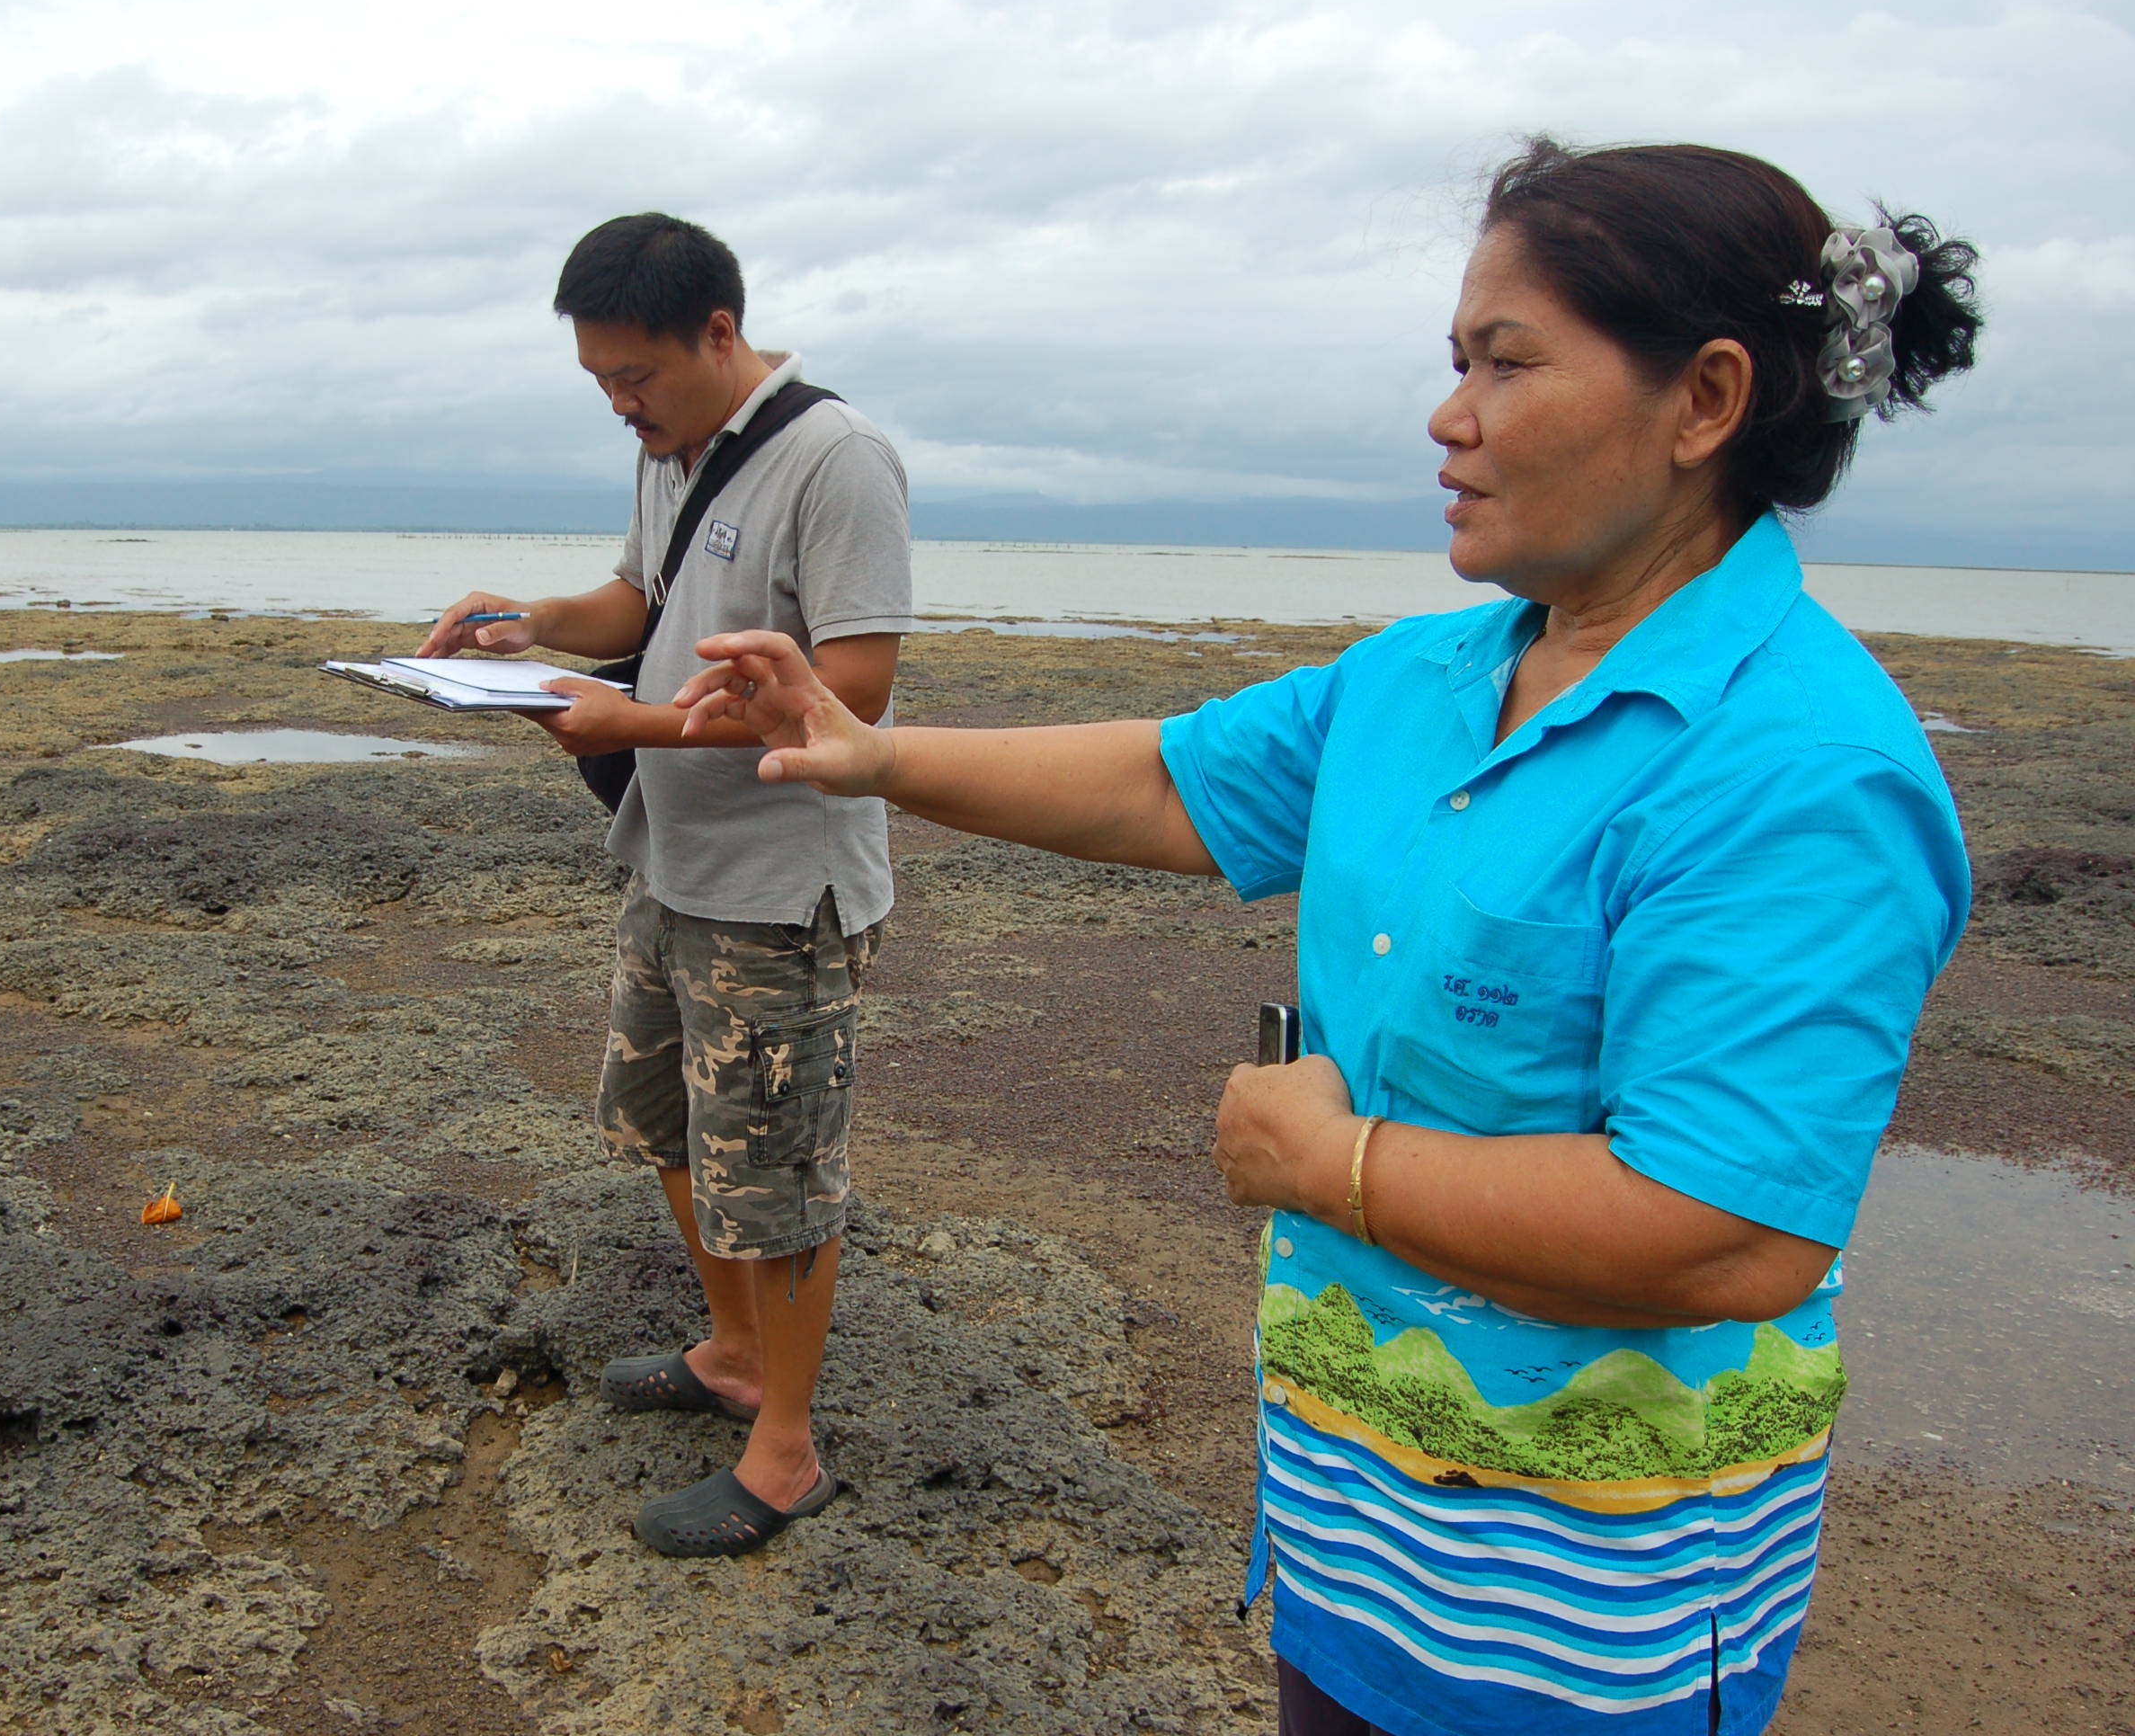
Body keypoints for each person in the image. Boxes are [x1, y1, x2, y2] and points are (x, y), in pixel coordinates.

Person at [673, 139, 1981, 1734]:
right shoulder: (1427, 676)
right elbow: (1169, 781)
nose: (1450, 417)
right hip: (1354, 1528)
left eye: (1506, 364)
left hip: (1593, 1620)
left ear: (1704, 401)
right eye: (1455, 362)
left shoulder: (1798, 768)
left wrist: (1330, 1167)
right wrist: (874, 751)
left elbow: (1727, 1228)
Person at [417, 212, 912, 1558]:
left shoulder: (837, 458)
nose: (621, 405)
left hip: (780, 890)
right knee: (666, 1130)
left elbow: (852, 695)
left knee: (780, 1174)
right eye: (599, 386)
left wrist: (625, 724)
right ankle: (740, 1356)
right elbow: (639, 603)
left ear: (719, 332)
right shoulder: (673, 453)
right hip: (672, 857)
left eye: (636, 377)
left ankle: (788, 1450)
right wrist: (521, 628)